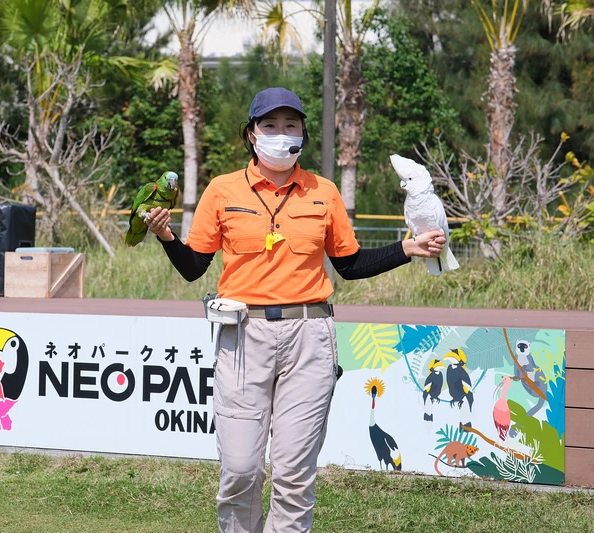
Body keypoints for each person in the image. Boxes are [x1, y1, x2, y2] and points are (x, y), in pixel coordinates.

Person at [145, 87, 446, 533]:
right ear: (251, 134)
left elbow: (350, 264)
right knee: (240, 469)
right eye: (269, 125)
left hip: (310, 337)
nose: (280, 133)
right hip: (242, 337)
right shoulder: (222, 190)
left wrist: (408, 248)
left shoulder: (323, 192)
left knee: (294, 474)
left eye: (291, 125)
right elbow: (193, 268)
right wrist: (167, 237)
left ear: (303, 134)